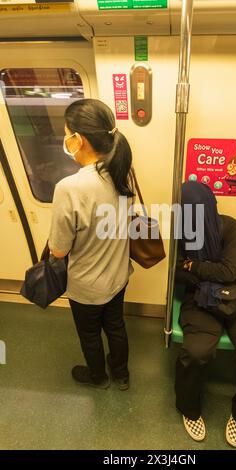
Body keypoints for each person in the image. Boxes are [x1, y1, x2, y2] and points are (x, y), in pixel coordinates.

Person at [175, 181, 236, 447]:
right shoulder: (181, 231)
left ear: (211, 205)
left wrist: (193, 264)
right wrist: (203, 269)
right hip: (199, 296)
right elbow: (176, 273)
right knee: (195, 353)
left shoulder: (231, 226)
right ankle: (190, 409)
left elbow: (229, 272)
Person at [48, 99, 134, 391]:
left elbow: (59, 250)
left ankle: (98, 377)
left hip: (87, 286)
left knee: (89, 334)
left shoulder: (69, 188)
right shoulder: (123, 173)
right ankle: (121, 374)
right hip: (118, 275)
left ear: (79, 140)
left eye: (67, 134)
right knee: (116, 326)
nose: (65, 140)